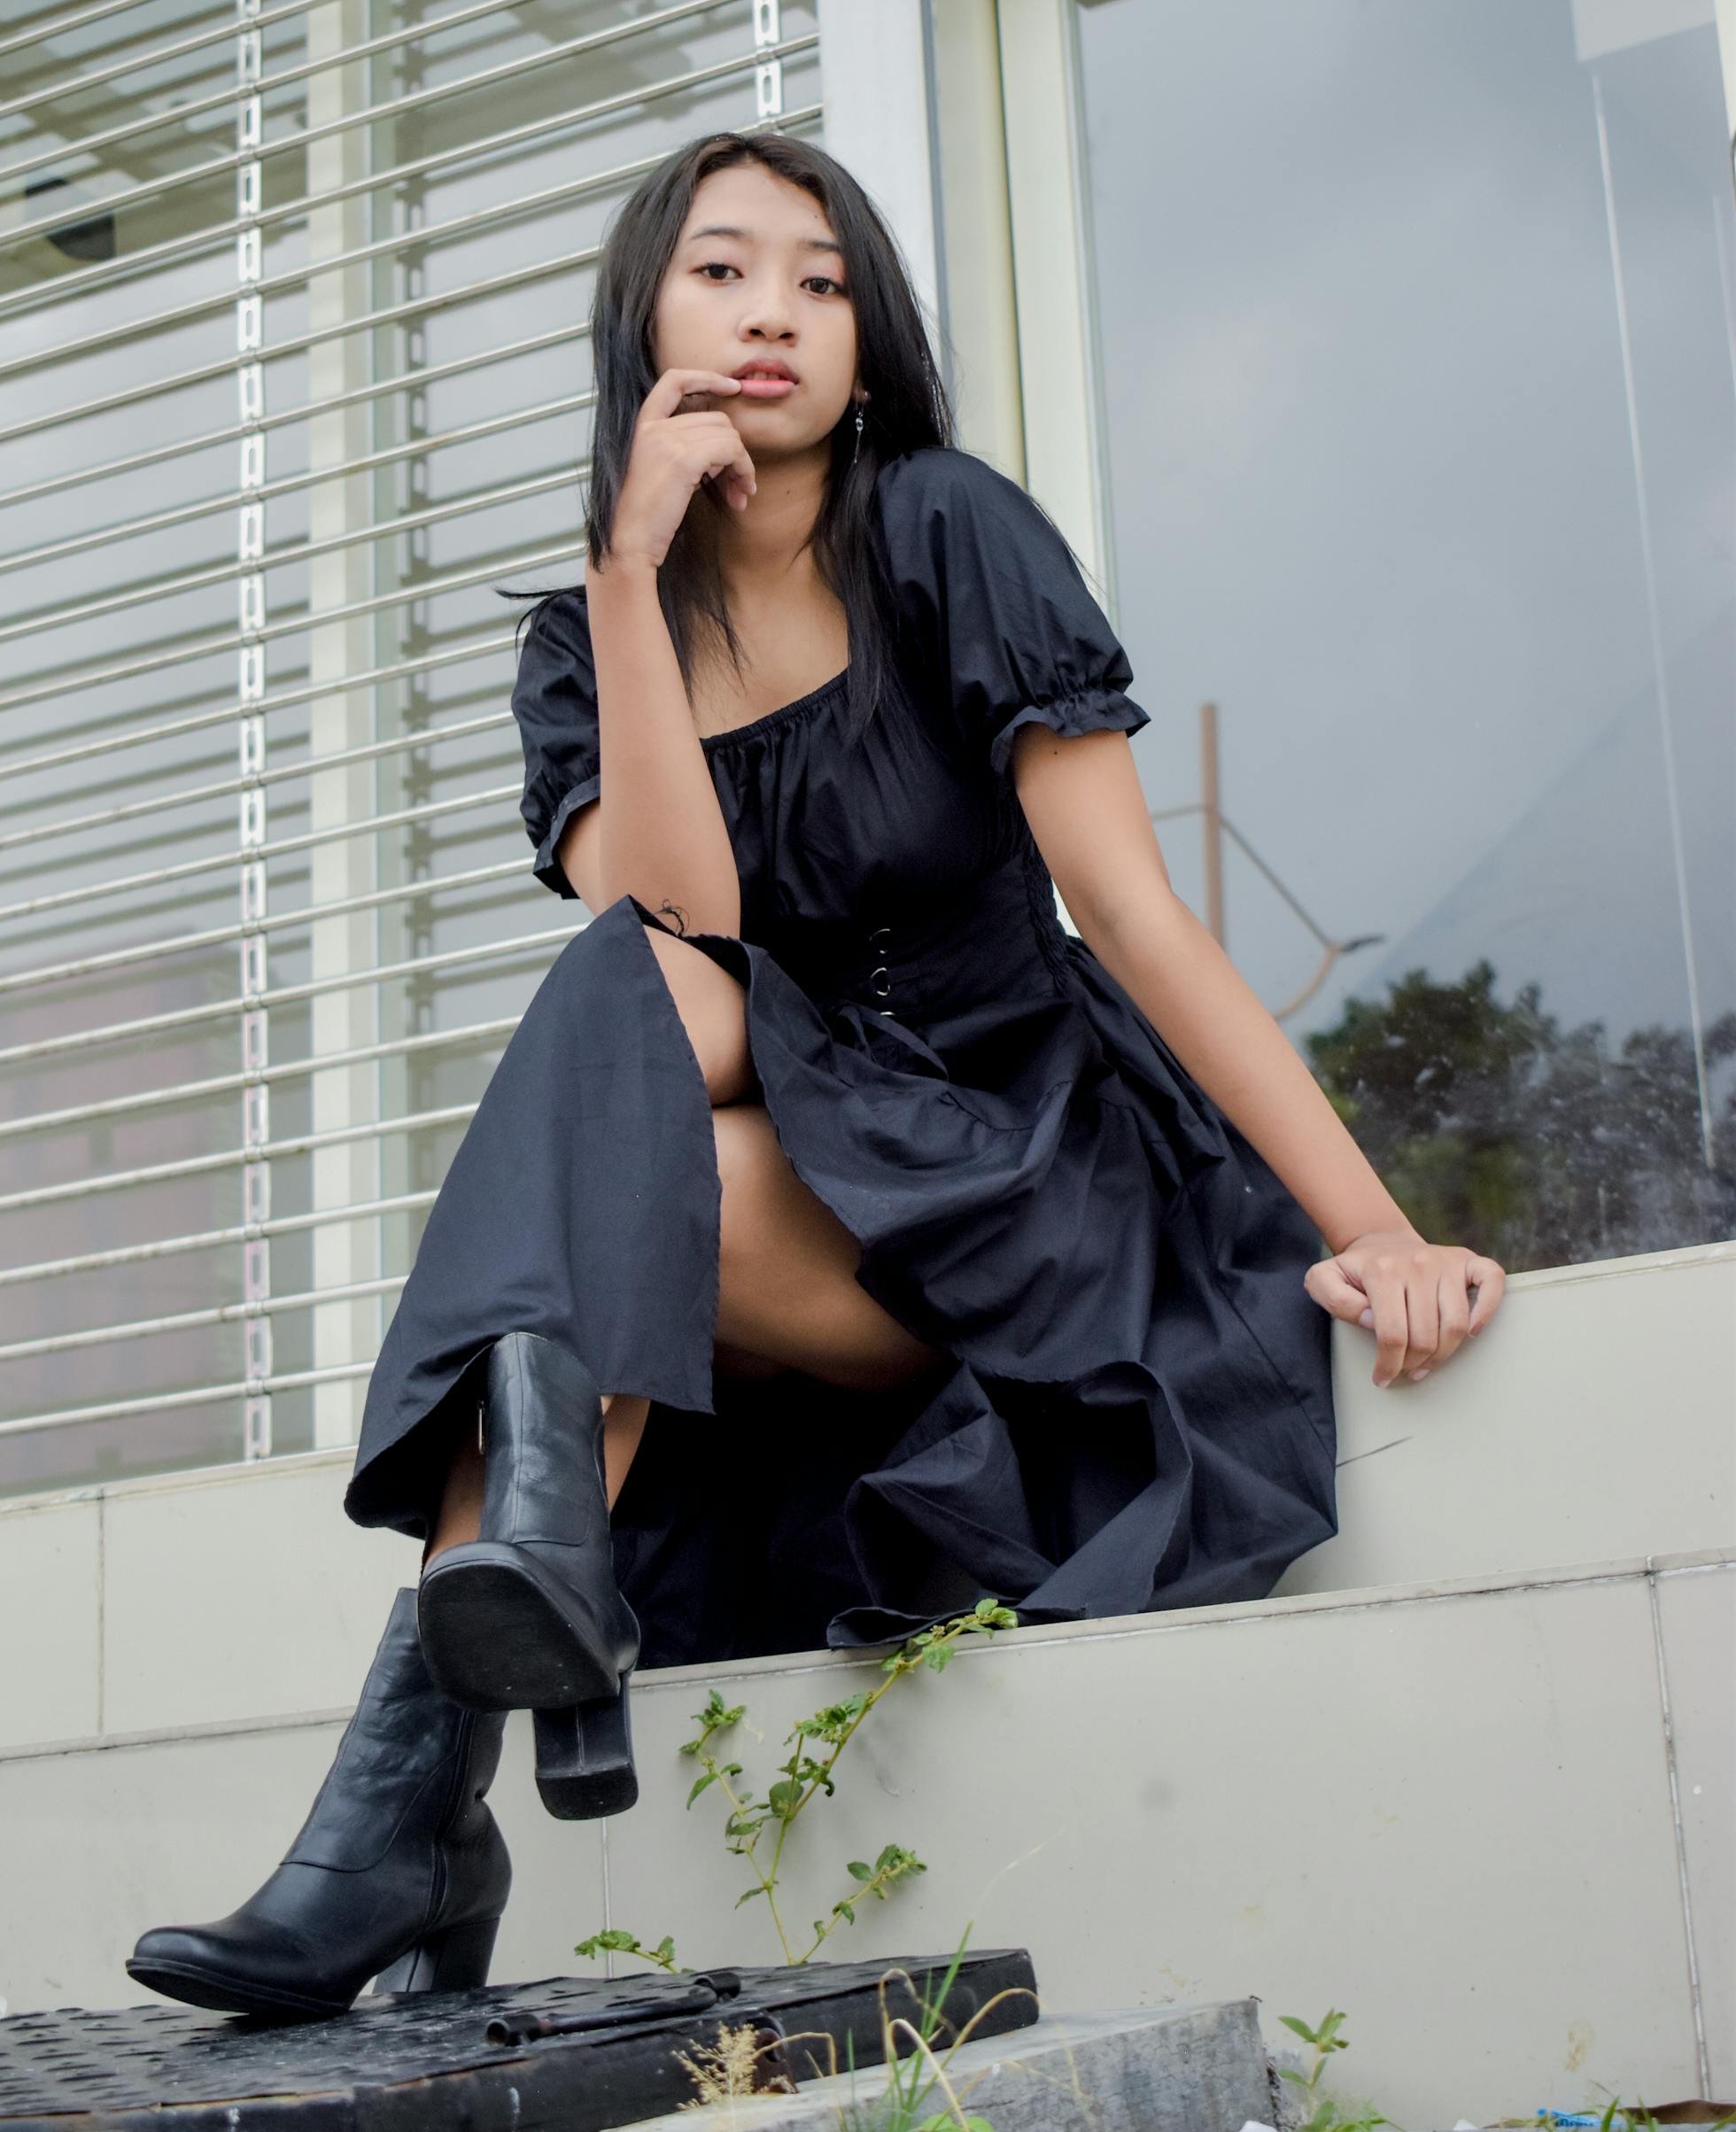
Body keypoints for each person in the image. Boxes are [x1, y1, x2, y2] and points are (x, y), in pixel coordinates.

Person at [128, 129, 1506, 2021]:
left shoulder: (941, 525)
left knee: (610, 1046)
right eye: (721, 269)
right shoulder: (581, 641)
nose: (773, 309)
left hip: (1025, 1202)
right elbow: (677, 921)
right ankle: (432, 1774)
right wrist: (627, 570)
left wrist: (1376, 1228)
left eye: (821, 278)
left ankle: (432, 1769)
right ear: (641, 318)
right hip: (792, 1218)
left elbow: (1133, 910)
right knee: (622, 1010)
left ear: (867, 338)